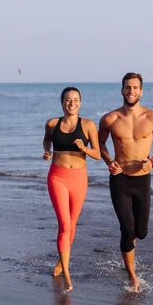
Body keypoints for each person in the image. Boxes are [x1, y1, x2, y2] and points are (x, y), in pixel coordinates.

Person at [98, 72, 153, 291]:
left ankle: (129, 249)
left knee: (141, 232)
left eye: (135, 87)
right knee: (127, 230)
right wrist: (109, 161)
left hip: (142, 180)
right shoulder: (110, 119)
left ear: (141, 91)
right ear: (122, 90)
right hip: (119, 180)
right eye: (128, 87)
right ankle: (132, 275)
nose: (131, 91)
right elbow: (101, 145)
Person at [43, 86, 100, 292]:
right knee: (64, 225)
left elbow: (97, 154)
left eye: (76, 100)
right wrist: (47, 151)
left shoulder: (88, 125)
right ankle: (67, 275)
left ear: (80, 103)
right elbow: (47, 139)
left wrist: (84, 148)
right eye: (68, 100)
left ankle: (60, 262)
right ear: (62, 103)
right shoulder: (52, 123)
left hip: (79, 178)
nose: (72, 103)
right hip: (57, 177)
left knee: (72, 225)